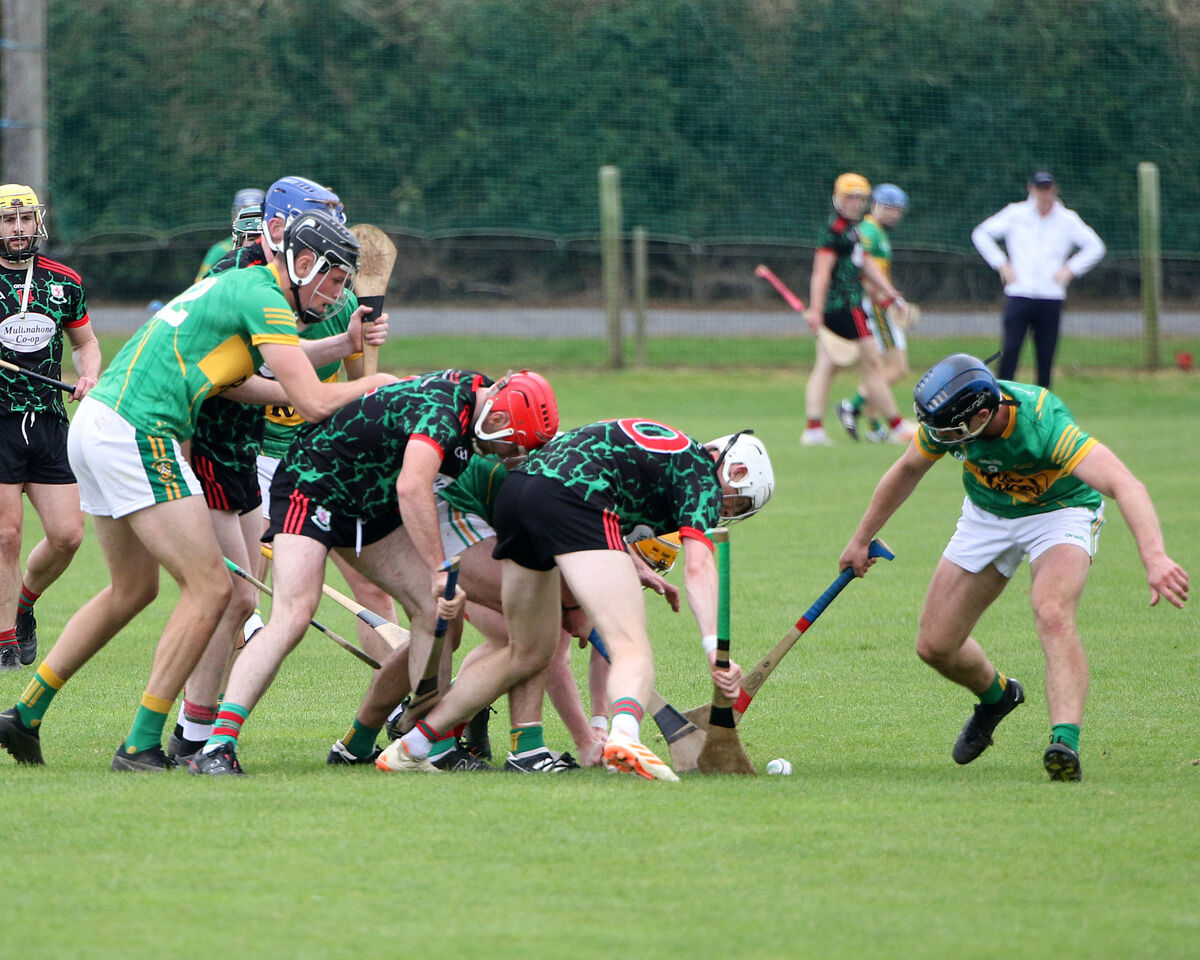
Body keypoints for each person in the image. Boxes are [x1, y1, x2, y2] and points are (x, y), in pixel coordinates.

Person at [0, 208, 396, 771]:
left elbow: (254, 375)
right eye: (333, 281)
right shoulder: (262, 297)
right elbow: (311, 401)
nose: (337, 296)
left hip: (99, 423)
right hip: (139, 430)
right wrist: (380, 385)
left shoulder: (248, 288)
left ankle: (25, 714)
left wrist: (343, 345)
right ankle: (141, 744)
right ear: (305, 263)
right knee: (213, 590)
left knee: (132, 590)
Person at [188, 369, 559, 775]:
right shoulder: (445, 413)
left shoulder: (478, 394)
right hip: (313, 486)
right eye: (511, 446)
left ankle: (430, 747)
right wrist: (440, 570)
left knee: (433, 615)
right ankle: (217, 746)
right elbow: (412, 487)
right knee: (293, 615)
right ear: (499, 419)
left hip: (371, 506)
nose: (506, 456)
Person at [838, 354, 1188, 782]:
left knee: (1052, 611)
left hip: (1059, 511)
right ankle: (998, 696)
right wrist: (861, 538)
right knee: (935, 646)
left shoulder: (1043, 424)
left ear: (982, 415)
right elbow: (908, 469)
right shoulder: (948, 417)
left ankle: (1064, 742)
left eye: (949, 431)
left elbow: (1125, 484)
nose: (940, 437)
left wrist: (1155, 557)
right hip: (988, 513)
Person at [377, 423, 775, 782]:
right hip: (574, 502)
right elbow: (698, 568)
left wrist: (630, 566)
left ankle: (412, 746)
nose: (726, 510)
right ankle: (625, 737)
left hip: (519, 493)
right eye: (736, 502)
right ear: (736, 471)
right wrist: (714, 650)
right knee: (631, 646)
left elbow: (595, 475)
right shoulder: (701, 477)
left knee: (527, 652)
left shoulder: (669, 451)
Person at [167, 177, 391, 764]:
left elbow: (315, 373)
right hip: (226, 449)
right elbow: (225, 375)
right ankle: (186, 729)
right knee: (230, 598)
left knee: (251, 600)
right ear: (284, 228)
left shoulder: (325, 289)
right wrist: (363, 384)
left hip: (279, 456)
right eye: (325, 221)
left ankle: (191, 730)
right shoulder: (239, 279)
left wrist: (352, 345)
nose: (337, 234)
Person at [0, 184, 101, 671]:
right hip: (0, 421)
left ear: (37, 222)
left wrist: (89, 375)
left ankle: (23, 608)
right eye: (8, 220)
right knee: (6, 535)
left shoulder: (64, 281)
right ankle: (3, 643)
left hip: (49, 420)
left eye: (25, 219)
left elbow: (85, 343)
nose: (18, 229)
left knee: (67, 536)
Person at [801, 173, 915, 447]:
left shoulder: (852, 230)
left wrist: (889, 292)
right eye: (849, 198)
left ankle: (813, 430)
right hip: (846, 307)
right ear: (837, 198)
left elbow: (864, 262)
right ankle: (897, 428)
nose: (854, 203)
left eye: (859, 198)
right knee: (873, 366)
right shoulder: (835, 231)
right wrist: (815, 309)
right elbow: (821, 271)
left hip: (843, 307)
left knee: (827, 366)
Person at [971, 170, 1105, 388]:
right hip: (1019, 294)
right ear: (1031, 189)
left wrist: (1070, 269)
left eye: (1048, 189)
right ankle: (1001, 401)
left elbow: (1095, 247)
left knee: (1045, 357)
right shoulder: (1016, 213)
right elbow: (981, 234)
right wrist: (1002, 264)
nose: (1044, 195)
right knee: (1010, 351)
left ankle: (1043, 405)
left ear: (1054, 190)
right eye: (1040, 189)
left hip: (1050, 296)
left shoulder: (1067, 219)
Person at [837, 183, 913, 443]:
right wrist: (888, 301)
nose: (893, 213)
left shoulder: (877, 231)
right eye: (888, 207)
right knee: (897, 368)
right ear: (875, 206)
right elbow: (864, 271)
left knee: (878, 369)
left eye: (897, 209)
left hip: (878, 304)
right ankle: (852, 406)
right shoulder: (870, 231)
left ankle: (873, 427)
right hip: (877, 307)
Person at [195, 187, 265, 281]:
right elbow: (200, 284)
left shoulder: (273, 248)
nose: (249, 218)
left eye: (255, 212)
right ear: (233, 215)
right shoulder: (220, 250)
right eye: (243, 211)